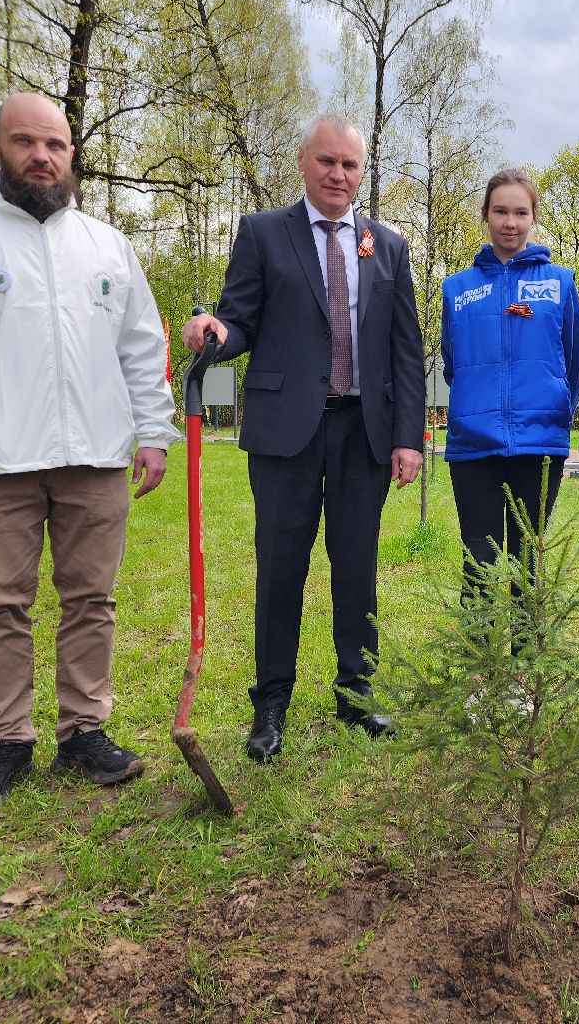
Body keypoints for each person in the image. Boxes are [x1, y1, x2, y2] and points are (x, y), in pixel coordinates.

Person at [0, 92, 178, 816]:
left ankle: (83, 730)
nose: (42, 157)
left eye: (56, 145)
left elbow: (142, 345)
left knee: (92, 599)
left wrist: (154, 431)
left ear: (73, 153)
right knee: (1, 605)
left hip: (96, 454)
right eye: (26, 142)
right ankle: (7, 742)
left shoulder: (105, 244)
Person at [182, 115, 425, 762]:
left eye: (350, 164)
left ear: (361, 170)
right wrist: (213, 330)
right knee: (280, 570)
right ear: (303, 162)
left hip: (364, 431)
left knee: (357, 567)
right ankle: (271, 705)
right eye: (327, 162)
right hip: (287, 430)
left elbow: (406, 351)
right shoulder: (264, 233)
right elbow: (241, 321)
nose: (339, 174)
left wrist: (409, 437)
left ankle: (356, 691)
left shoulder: (388, 247)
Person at [440, 169, 579, 587]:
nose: (510, 222)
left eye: (520, 212)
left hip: (540, 443)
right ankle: (481, 653)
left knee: (528, 568)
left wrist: (556, 402)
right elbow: (453, 361)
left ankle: (528, 653)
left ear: (533, 216)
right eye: (500, 211)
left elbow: (575, 359)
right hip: (474, 446)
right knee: (479, 566)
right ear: (485, 214)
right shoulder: (457, 289)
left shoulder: (560, 283)